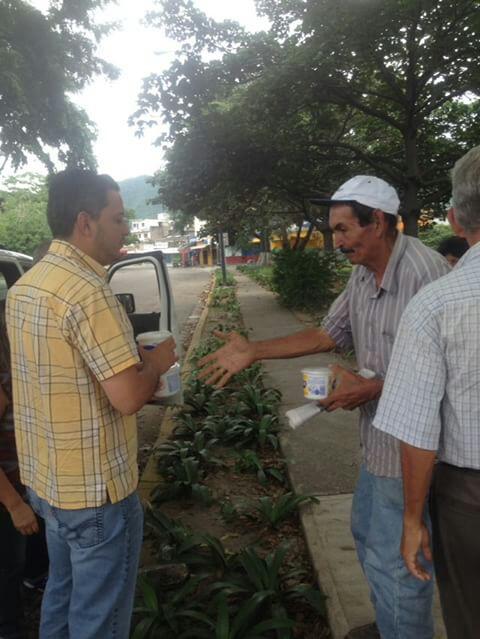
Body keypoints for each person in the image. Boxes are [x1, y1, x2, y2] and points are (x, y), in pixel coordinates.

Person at [198, 175, 450, 639]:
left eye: (342, 230)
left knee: (399, 561)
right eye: (333, 230)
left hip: (412, 449)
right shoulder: (361, 273)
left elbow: (446, 375)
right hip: (379, 443)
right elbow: (326, 334)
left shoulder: (425, 276)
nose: (335, 241)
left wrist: (369, 388)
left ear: (377, 222)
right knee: (367, 535)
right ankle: (391, 624)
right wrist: (255, 350)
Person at [5, 169, 177, 639]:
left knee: (61, 593)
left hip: (48, 483)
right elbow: (127, 398)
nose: (126, 227)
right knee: (98, 618)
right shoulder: (89, 291)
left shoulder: (26, 287)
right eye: (118, 217)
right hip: (96, 493)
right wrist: (156, 363)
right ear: (86, 222)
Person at [373, 146, 480, 639]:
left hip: (468, 500)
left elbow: (418, 431)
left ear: (457, 220)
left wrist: (413, 518)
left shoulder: (436, 303)